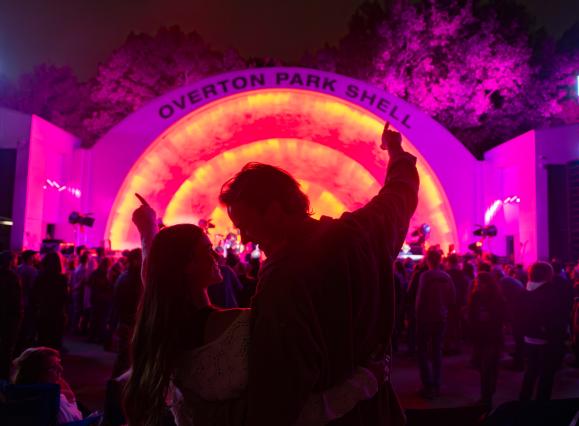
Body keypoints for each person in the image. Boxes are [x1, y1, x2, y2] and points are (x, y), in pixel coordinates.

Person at [217, 122, 418, 424]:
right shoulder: (362, 233)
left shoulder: (282, 280)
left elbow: (280, 397)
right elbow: (400, 193)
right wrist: (395, 151)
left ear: (273, 211)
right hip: (379, 412)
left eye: (245, 224)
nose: (244, 238)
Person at [124, 217, 386, 426]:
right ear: (187, 266)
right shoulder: (239, 327)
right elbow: (285, 411)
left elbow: (155, 278)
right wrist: (362, 382)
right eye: (207, 250)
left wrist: (148, 231)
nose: (216, 256)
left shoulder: (165, 331)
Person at [519, 261, 569, 401]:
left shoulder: (524, 291)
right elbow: (556, 316)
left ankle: (523, 402)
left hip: (529, 338)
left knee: (530, 372)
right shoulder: (550, 292)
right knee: (546, 375)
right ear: (548, 275)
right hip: (547, 340)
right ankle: (541, 407)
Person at [11, 346, 95, 424]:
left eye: (59, 363)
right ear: (36, 374)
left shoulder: (19, 392)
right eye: (53, 367)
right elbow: (73, 421)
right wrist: (72, 399)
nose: (61, 369)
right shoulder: (54, 401)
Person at [414, 247, 455, 398]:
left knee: (423, 352)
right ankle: (437, 383)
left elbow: (420, 299)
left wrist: (416, 316)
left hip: (425, 318)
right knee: (437, 351)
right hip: (441, 318)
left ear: (428, 260)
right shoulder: (446, 277)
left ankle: (427, 385)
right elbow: (452, 298)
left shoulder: (425, 276)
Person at [468, 272, 506, 407]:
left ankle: (486, 397)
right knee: (487, 367)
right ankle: (488, 394)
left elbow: (472, 316)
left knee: (487, 368)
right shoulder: (480, 296)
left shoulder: (485, 297)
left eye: (479, 282)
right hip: (487, 337)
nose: (477, 284)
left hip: (488, 337)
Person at [110, 248, 142, 378]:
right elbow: (132, 303)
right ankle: (115, 389)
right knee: (125, 359)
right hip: (129, 323)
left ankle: (115, 387)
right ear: (135, 260)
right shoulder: (131, 279)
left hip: (126, 322)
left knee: (124, 358)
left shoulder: (125, 276)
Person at [32, 252, 68, 350]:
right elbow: (65, 297)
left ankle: (41, 361)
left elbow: (34, 295)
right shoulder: (62, 278)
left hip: (43, 310)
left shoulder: (41, 277)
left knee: (43, 338)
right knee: (55, 340)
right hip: (57, 312)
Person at [0, 251, 21, 380]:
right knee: (7, 348)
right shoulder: (13, 277)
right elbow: (16, 300)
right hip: (9, 317)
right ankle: (3, 377)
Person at [16, 250, 38, 350]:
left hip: (18, 300)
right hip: (29, 301)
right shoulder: (32, 270)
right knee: (27, 325)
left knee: (19, 326)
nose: (35, 259)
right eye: (34, 257)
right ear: (30, 258)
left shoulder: (17, 269)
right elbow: (34, 287)